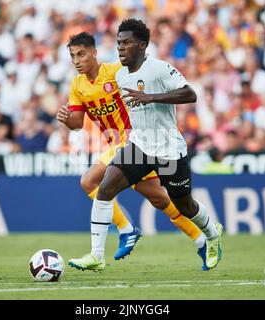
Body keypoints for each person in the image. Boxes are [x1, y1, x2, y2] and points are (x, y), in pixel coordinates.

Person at [68, 20, 223, 272]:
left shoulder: (160, 69)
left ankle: (211, 234)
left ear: (142, 45)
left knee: (183, 204)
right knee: (104, 188)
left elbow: (190, 94)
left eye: (127, 43)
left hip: (168, 150)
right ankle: (97, 255)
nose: (121, 47)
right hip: (138, 146)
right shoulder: (119, 75)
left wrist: (151, 97)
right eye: (119, 43)